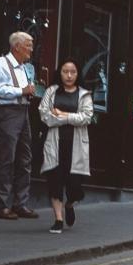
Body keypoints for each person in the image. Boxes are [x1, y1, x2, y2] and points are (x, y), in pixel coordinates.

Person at [0, 31, 39, 219]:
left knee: (25, 158)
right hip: (6, 113)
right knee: (7, 158)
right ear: (17, 46)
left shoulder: (25, 68)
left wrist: (29, 91)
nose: (31, 49)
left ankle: (20, 203)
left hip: (23, 112)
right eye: (28, 45)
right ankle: (1, 205)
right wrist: (21, 90)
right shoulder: (0, 64)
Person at [39, 60, 93, 233]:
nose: (69, 75)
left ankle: (69, 204)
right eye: (65, 71)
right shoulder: (51, 92)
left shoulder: (84, 95)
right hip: (55, 143)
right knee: (55, 181)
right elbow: (45, 115)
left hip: (76, 146)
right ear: (59, 73)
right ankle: (58, 219)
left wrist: (63, 115)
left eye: (73, 72)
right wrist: (70, 118)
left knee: (75, 186)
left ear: (78, 74)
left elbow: (86, 117)